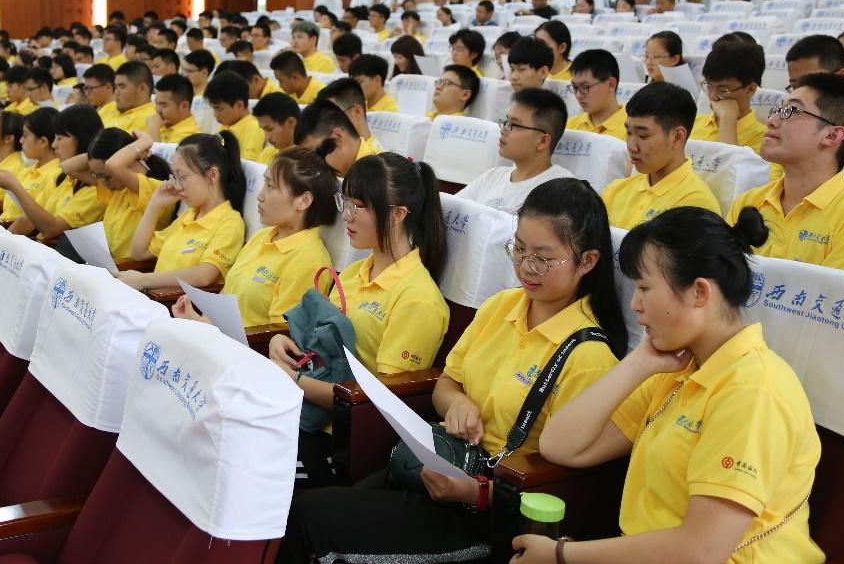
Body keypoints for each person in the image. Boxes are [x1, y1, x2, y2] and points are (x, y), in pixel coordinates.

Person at [279, 177, 630, 562]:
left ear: (587, 261)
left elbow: (567, 489)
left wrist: (474, 493)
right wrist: (458, 404)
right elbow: (446, 383)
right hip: (444, 463)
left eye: (543, 258)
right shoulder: (501, 306)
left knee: (313, 519)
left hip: (488, 511)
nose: (525, 267)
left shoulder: (588, 357)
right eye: (519, 249)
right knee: (307, 510)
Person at [533, 207, 823, 564]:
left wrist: (562, 555)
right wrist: (639, 362)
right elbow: (559, 446)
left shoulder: (753, 390)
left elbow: (701, 551)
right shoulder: (678, 368)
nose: (635, 304)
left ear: (699, 292)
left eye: (644, 288)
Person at [268, 152, 449, 487]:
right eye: (346, 202)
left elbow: (379, 403)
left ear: (398, 214)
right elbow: (320, 345)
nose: (347, 215)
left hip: (342, 440)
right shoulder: (354, 272)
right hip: (301, 411)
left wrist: (294, 380)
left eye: (359, 206)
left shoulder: (419, 299)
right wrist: (284, 344)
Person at [728, 72, 844, 281]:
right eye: (778, 110)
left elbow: (830, 299)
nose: (771, 121)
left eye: (791, 111)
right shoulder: (748, 202)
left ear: (831, 135)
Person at [174, 147, 336, 328]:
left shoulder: (309, 260)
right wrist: (198, 321)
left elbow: (279, 335)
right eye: (264, 183)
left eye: (271, 186)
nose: (260, 196)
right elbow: (227, 297)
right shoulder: (262, 237)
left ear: (304, 201)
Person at [120, 132, 247, 291]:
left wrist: (143, 280)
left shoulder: (230, 222)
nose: (177, 186)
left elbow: (204, 275)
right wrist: (154, 205)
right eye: (175, 178)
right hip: (156, 300)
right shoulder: (189, 216)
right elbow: (139, 252)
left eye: (182, 177)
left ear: (212, 175)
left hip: (175, 303)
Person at [602, 83, 721, 228]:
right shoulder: (615, 191)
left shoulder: (696, 205)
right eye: (629, 133)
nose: (631, 146)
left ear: (677, 137)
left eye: (643, 136)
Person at [0, 105, 108, 238]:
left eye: (60, 138)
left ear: (81, 138)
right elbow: (29, 220)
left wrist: (14, 187)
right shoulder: (64, 178)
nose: (54, 145)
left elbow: (52, 230)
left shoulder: (96, 189)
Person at [62, 127, 172, 264]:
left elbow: (113, 164)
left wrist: (145, 140)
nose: (103, 183)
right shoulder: (118, 189)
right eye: (98, 176)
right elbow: (68, 167)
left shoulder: (156, 189)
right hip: (107, 265)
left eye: (106, 176)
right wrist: (97, 152)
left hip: (130, 269)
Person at [458, 89, 573, 214]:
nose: (503, 130)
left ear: (543, 141)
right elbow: (450, 210)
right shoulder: (493, 176)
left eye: (514, 125)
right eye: (506, 122)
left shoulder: (563, 190)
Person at [689, 40, 766, 152]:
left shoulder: (764, 138)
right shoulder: (690, 123)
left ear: (750, 89)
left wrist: (727, 119)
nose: (713, 97)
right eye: (709, 86)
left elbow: (726, 163)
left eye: (723, 89)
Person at [294, 100, 379, 177]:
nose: (313, 164)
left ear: (338, 136)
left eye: (317, 154)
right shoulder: (332, 177)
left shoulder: (380, 174)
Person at [565, 50, 626, 140]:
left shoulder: (632, 131)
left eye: (585, 87)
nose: (578, 95)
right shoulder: (569, 127)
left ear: (611, 84)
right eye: (574, 87)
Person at [204, 71, 265, 161]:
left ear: (239, 105)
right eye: (213, 109)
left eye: (219, 109)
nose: (215, 114)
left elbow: (248, 164)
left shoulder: (253, 128)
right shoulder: (226, 125)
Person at [105, 60, 156, 134]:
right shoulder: (109, 107)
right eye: (115, 87)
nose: (116, 93)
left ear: (142, 88)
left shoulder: (149, 119)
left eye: (122, 86)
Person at [150, 73, 201, 144]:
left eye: (164, 105)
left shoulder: (190, 136)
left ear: (184, 106)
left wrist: (153, 127)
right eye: (156, 103)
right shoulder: (162, 123)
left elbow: (154, 151)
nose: (157, 110)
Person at [253, 92, 301, 164]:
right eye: (264, 130)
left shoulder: (307, 159)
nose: (267, 137)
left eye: (270, 129)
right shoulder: (266, 153)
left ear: (290, 122)